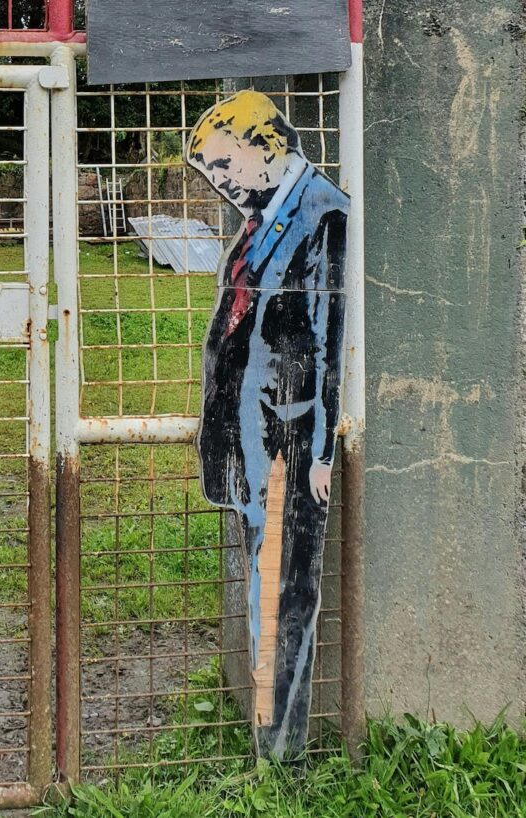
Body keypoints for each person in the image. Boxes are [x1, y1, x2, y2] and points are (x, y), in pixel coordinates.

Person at [185, 90, 349, 759]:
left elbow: (329, 338)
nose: (219, 182)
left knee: (284, 594)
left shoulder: (322, 212)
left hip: (291, 441)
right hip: (252, 441)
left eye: (224, 165)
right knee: (265, 585)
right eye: (210, 172)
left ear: (265, 144)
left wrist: (322, 453)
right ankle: (267, 739)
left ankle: (279, 755)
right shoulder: (261, 217)